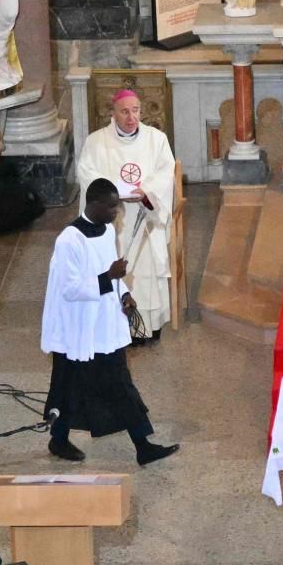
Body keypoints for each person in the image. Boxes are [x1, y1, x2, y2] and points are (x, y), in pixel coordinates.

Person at [41, 180, 179, 465]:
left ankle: (142, 445)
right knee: (68, 384)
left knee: (119, 382)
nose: (117, 212)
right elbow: (69, 289)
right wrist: (109, 278)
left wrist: (125, 294)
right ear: (94, 205)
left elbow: (111, 267)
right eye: (112, 206)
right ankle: (59, 439)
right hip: (76, 328)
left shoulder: (105, 231)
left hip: (103, 324)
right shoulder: (69, 240)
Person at [73, 89, 178, 339]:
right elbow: (87, 174)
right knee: (111, 255)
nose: (132, 117)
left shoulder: (157, 139)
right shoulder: (96, 142)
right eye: (125, 111)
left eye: (136, 110)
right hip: (113, 215)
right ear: (113, 113)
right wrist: (113, 194)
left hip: (145, 214)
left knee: (145, 260)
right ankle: (113, 324)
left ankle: (147, 327)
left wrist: (146, 193)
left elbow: (166, 172)